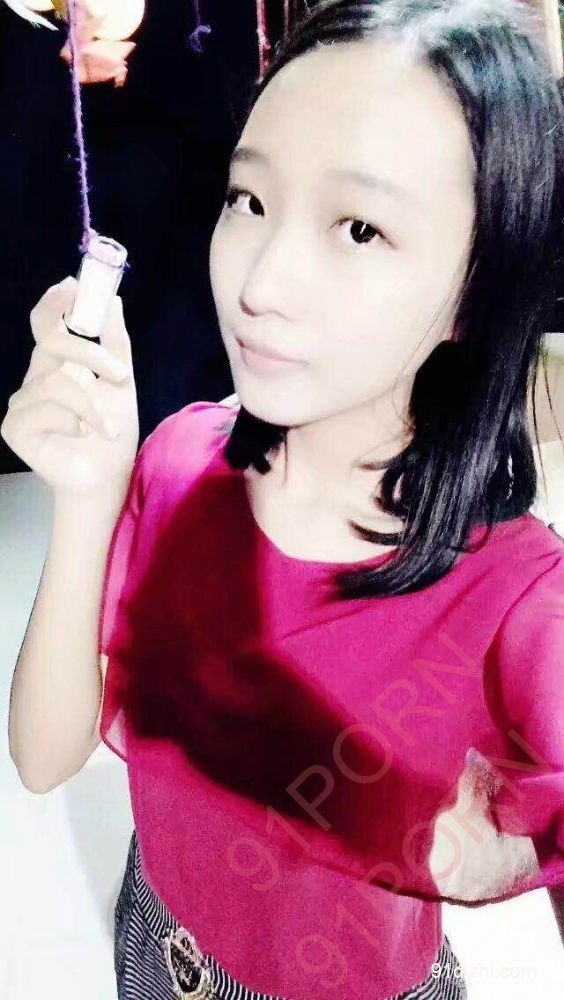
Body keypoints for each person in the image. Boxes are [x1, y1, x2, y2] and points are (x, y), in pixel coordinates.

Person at [4, 1, 564, 998]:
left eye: (359, 227)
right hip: (154, 940)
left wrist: (521, 850)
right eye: (249, 199)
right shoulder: (180, 460)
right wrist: (89, 497)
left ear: (479, 282)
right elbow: (45, 759)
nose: (260, 280)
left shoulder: (517, 596)